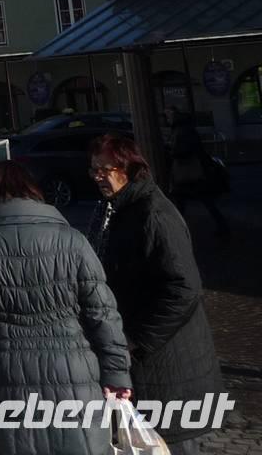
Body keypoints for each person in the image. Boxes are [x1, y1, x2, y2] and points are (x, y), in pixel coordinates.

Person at [0, 160, 130, 455]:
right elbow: (102, 313)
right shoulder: (73, 240)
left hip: (7, 374)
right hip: (75, 371)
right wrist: (117, 373)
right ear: (32, 190)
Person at [88, 133, 225, 453]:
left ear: (128, 168)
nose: (97, 177)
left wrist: (136, 339)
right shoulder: (113, 208)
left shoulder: (153, 213)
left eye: (105, 169)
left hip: (168, 363)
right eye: (93, 169)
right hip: (144, 361)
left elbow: (184, 288)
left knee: (172, 444)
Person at [166, 112, 230, 242]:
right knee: (203, 200)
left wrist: (171, 151)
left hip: (186, 171)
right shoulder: (189, 130)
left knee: (183, 201)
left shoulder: (180, 132)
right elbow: (198, 149)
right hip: (193, 171)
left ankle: (175, 228)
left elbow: (181, 151)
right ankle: (221, 224)